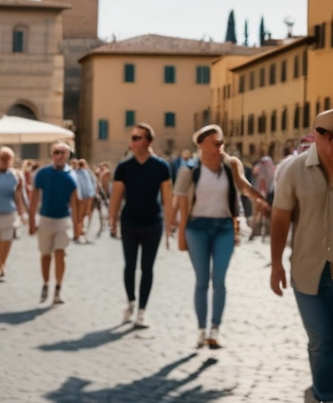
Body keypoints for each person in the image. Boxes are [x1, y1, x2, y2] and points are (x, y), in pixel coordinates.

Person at [175, 125, 269, 349]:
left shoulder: (231, 165)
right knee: (201, 281)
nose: (220, 147)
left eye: (221, 143)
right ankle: (200, 329)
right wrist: (180, 235)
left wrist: (260, 198)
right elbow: (181, 204)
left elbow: (243, 186)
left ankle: (214, 330)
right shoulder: (189, 170)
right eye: (215, 143)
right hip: (196, 228)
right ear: (201, 145)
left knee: (219, 281)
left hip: (224, 228)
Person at [270, 109, 333, 403]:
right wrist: (275, 264)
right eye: (325, 134)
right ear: (315, 133)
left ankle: (323, 391)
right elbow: (280, 218)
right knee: (321, 338)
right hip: (308, 270)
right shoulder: (294, 170)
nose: (331, 141)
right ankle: (321, 392)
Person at [108, 123, 173, 328]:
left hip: (153, 223)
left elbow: (167, 198)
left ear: (149, 141)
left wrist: (170, 225)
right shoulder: (124, 167)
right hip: (129, 222)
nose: (133, 141)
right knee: (129, 266)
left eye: (138, 138)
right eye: (132, 138)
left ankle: (142, 310)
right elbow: (116, 196)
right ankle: (131, 303)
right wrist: (112, 220)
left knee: (147, 268)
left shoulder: (162, 166)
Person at [30, 142, 80, 305]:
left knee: (60, 252)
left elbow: (75, 203)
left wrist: (77, 226)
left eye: (63, 153)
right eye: (57, 152)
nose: (60, 156)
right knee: (45, 255)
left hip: (63, 220)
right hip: (45, 219)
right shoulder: (42, 173)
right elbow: (35, 197)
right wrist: (31, 220)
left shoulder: (72, 175)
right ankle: (45, 283)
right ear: (52, 155)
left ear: (67, 155)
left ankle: (58, 288)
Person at [0, 147, 28, 280]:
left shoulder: (16, 175)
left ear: (11, 160)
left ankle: (3, 262)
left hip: (9, 211)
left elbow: (19, 195)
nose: (4, 160)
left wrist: (22, 213)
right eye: (2, 157)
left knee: (7, 238)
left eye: (7, 158)